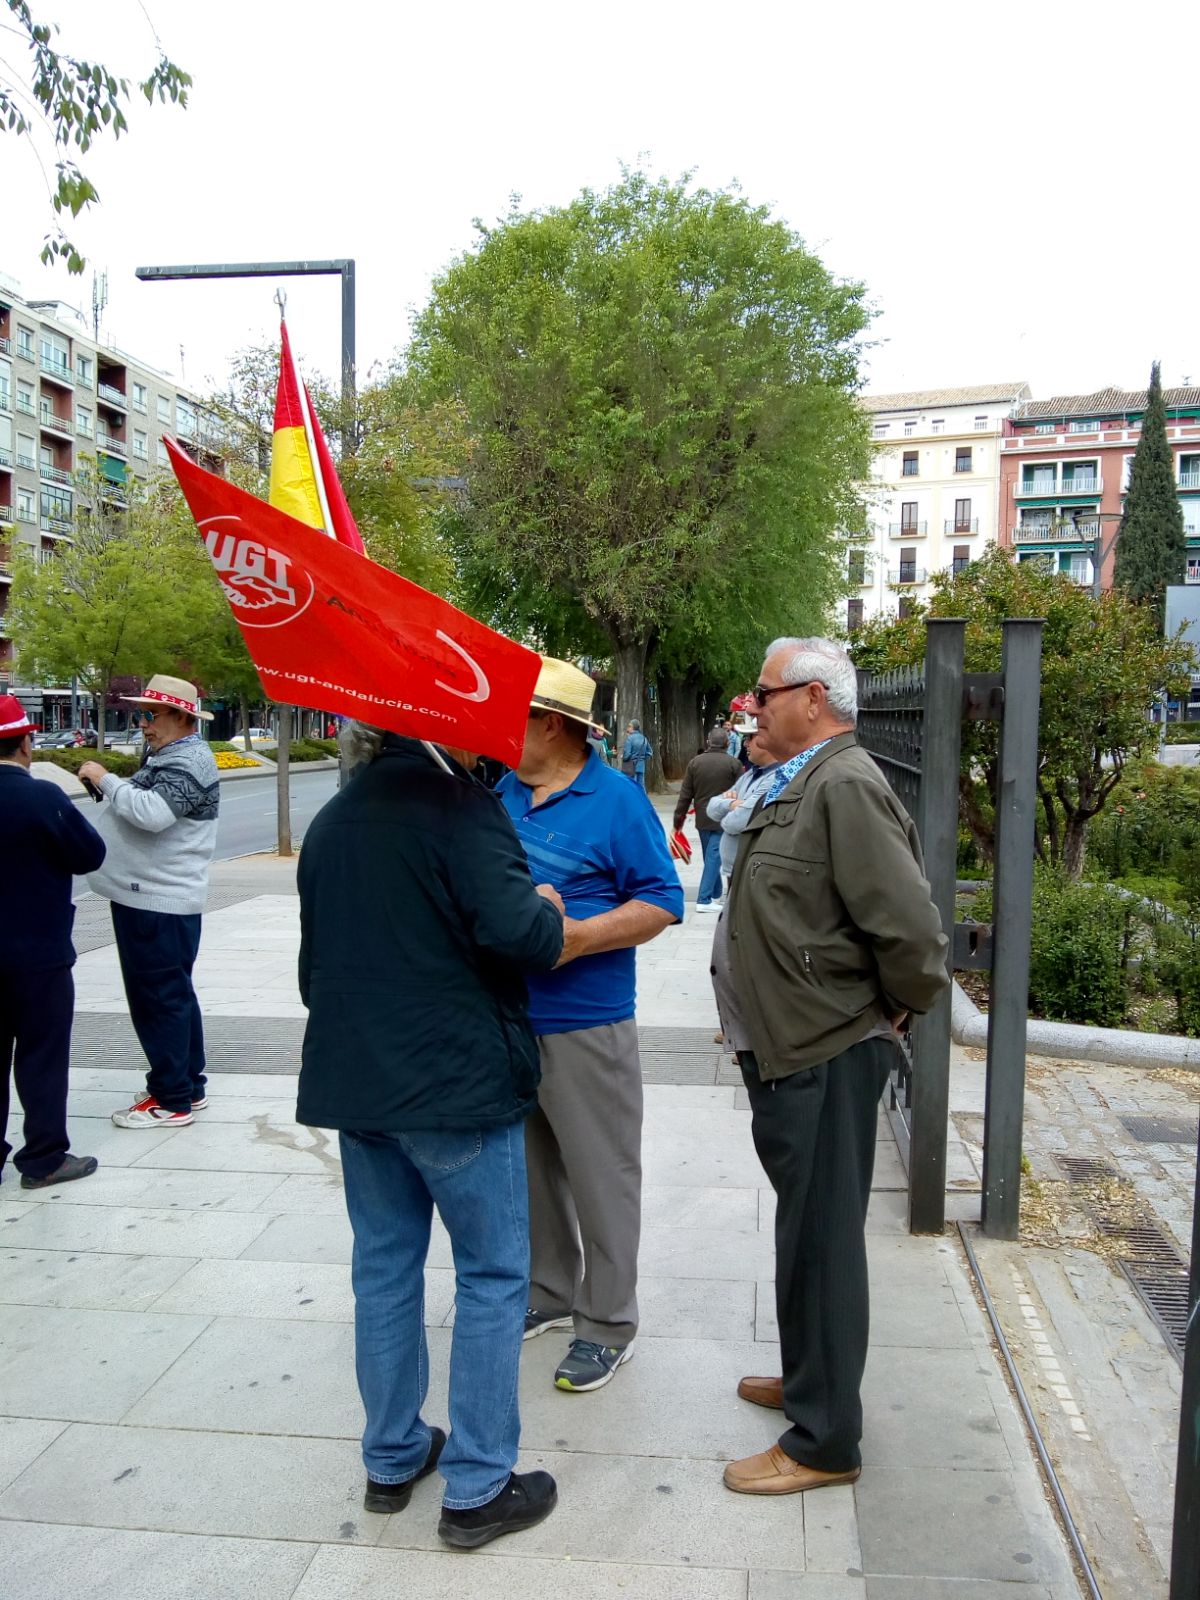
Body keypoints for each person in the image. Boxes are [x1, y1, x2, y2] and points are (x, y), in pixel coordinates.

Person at [296, 725, 566, 1549]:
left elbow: (317, 965)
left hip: (357, 1085)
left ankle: (392, 1458)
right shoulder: (463, 807)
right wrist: (546, 910)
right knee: (491, 1274)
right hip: (452, 1086)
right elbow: (521, 936)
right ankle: (479, 1486)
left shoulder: (333, 818)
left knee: (383, 1269)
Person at [714, 636, 948, 1497]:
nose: (755, 705)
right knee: (802, 1231)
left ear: (813, 698)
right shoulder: (798, 780)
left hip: (825, 1051)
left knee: (822, 1244)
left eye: (766, 692)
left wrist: (895, 1009)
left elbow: (914, 935)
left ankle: (825, 1442)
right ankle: (811, 1381)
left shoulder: (843, 784)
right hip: (789, 1052)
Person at [497, 660, 683, 1392]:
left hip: (586, 1024)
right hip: (507, 1022)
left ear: (551, 722)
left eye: (513, 714)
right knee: (529, 1175)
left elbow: (663, 899)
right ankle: (548, 1293)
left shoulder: (617, 800)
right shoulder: (499, 792)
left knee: (602, 1176)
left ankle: (607, 1324)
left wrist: (581, 935)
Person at [79, 675, 220, 1130]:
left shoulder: (190, 759)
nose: (142, 725)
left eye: (149, 715)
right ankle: (186, 1085)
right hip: (154, 898)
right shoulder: (173, 755)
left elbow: (153, 814)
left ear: (181, 717)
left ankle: (170, 1098)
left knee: (157, 998)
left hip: (156, 901)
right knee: (173, 995)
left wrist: (106, 779)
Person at [0, 696, 106, 1189]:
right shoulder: (43, 798)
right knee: (41, 1056)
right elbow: (89, 855)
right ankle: (43, 1158)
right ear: (26, 742)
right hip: (37, 956)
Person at [673, 730, 742, 913]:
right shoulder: (734, 764)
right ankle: (704, 899)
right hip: (724, 818)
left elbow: (685, 795)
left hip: (703, 818)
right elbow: (742, 793)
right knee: (713, 858)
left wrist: (678, 821)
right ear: (727, 743)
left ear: (708, 741)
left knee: (710, 857)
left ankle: (715, 892)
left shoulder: (695, 763)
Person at [706, 730, 777, 903]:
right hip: (737, 871)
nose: (745, 743)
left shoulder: (774, 778)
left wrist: (736, 807)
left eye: (750, 738)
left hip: (750, 872)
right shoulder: (750, 775)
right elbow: (711, 807)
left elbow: (736, 822)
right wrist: (732, 804)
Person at [619, 720, 652, 786]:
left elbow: (627, 755)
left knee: (632, 786)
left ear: (633, 728)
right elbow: (650, 752)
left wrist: (623, 757)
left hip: (631, 767)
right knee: (641, 787)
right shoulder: (644, 738)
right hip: (641, 766)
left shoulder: (630, 739)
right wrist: (642, 758)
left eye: (629, 726)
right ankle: (642, 796)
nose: (628, 728)